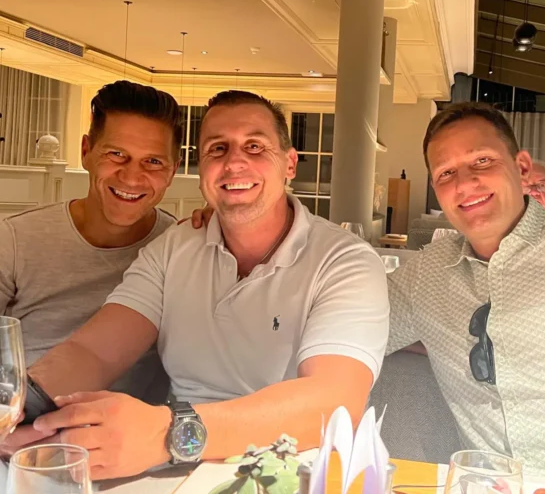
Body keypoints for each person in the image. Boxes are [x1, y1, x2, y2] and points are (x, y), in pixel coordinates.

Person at [11, 90, 388, 480]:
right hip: (176, 471)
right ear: (201, 168)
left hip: (296, 472)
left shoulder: (345, 261)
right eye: (217, 149)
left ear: (289, 163)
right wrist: (23, 405)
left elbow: (333, 401)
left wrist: (170, 433)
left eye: (255, 147)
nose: (234, 162)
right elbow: (94, 352)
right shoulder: (174, 247)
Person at [386, 102, 545, 476]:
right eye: (446, 173)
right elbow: (341, 329)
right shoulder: (426, 275)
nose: (465, 183)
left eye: (482, 161)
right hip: (487, 482)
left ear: (521, 168)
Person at [0, 80, 183, 454]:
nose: (132, 177)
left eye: (153, 161)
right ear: (86, 151)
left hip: (130, 453)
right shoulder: (15, 240)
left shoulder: (180, 249)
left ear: (172, 170)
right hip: (19, 441)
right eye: (116, 154)